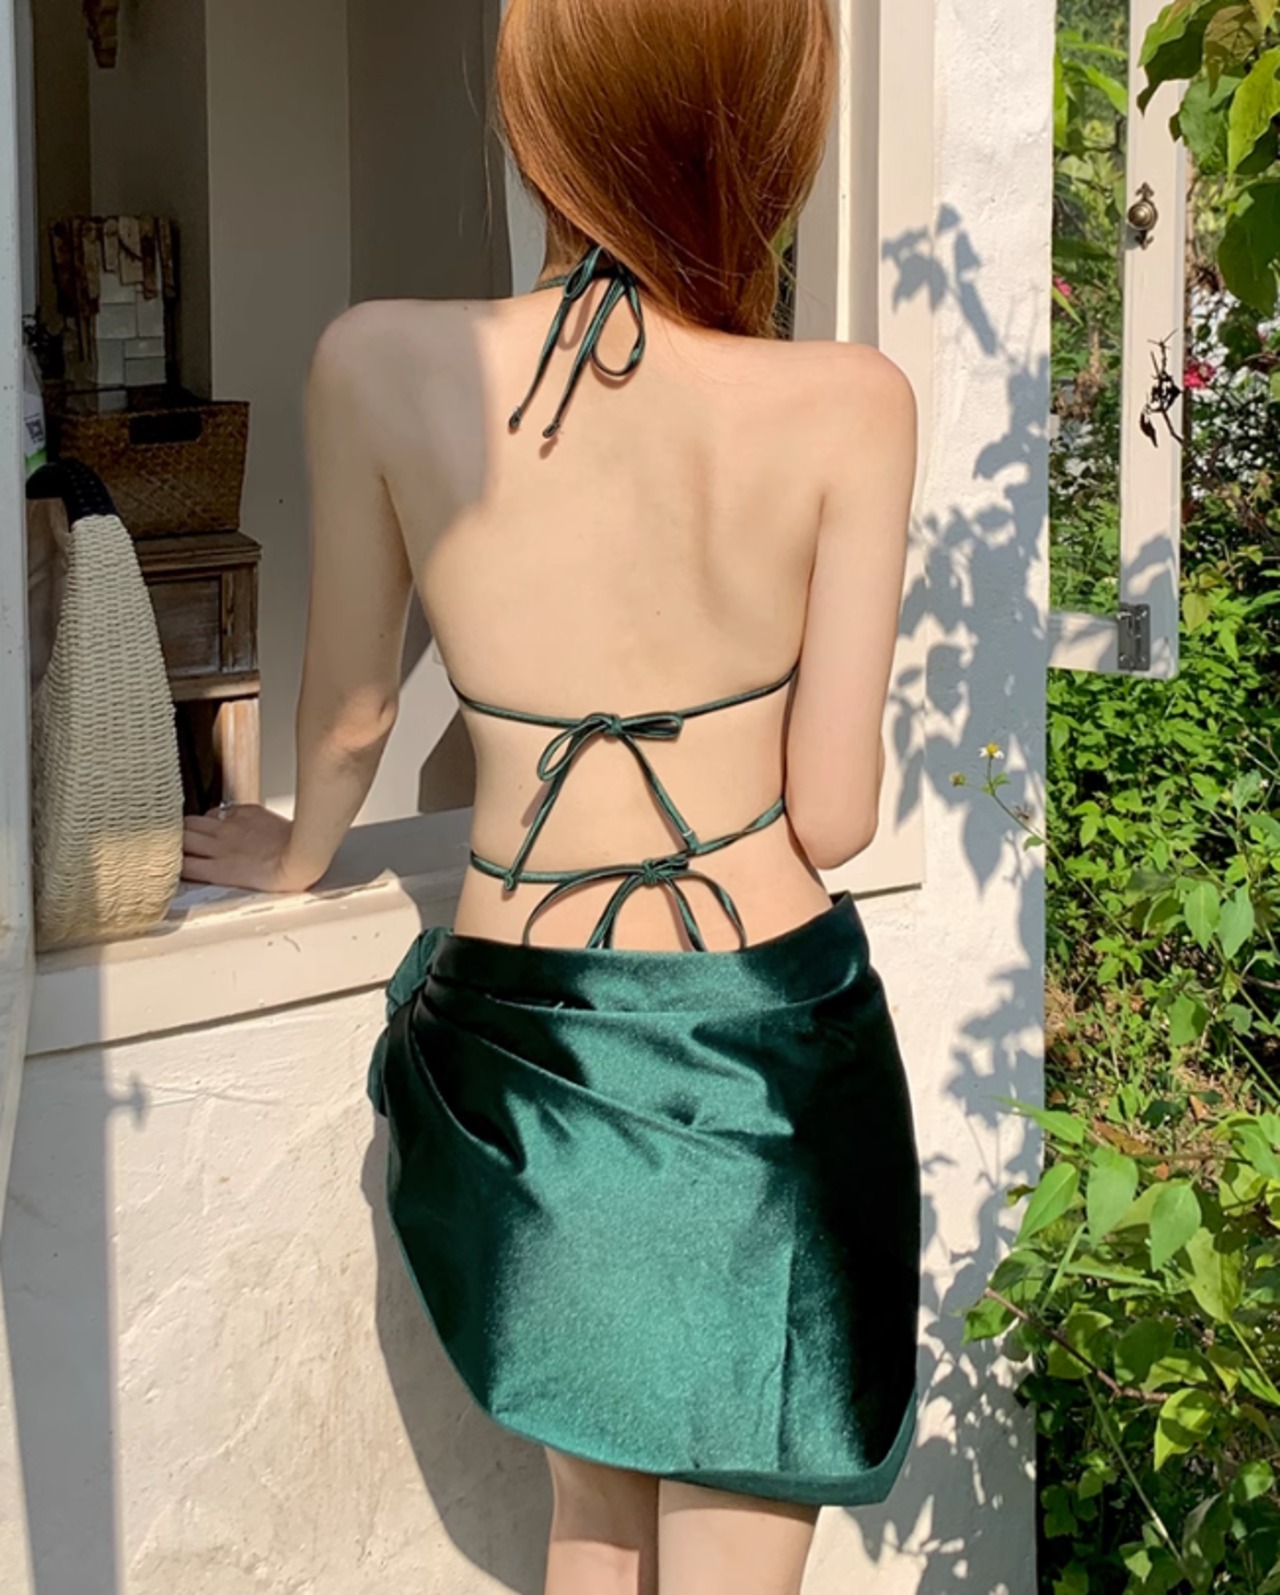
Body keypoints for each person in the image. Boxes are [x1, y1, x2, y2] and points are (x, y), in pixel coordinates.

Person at [182, 1, 921, 1591]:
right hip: (763, 1042)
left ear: (539, 116)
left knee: (591, 1524)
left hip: (528, 1046)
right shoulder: (850, 399)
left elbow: (355, 713)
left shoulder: (379, 360)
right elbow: (835, 816)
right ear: (768, 128)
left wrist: (296, 857)